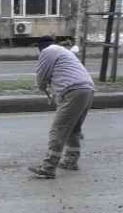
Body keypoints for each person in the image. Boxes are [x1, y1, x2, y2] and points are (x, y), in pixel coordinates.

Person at [28, 36, 95, 179]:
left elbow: (41, 76)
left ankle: (48, 168)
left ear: (41, 46)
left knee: (58, 129)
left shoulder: (48, 52)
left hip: (73, 91)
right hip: (87, 90)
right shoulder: (64, 51)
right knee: (73, 129)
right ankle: (71, 161)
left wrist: (41, 87)